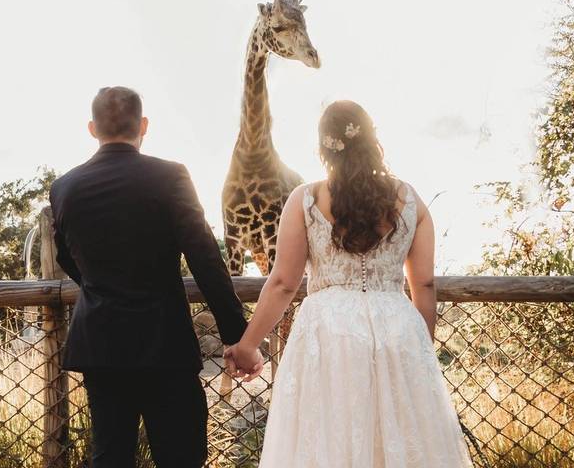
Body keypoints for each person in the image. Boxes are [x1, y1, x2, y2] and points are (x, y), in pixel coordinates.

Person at [224, 100, 472, 467]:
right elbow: (424, 285)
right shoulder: (410, 200)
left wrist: (247, 345)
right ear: (372, 140)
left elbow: (282, 283)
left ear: (323, 147)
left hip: (328, 333)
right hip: (397, 328)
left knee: (328, 439)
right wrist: (420, 347)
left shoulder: (306, 199)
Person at [49, 86, 248, 468]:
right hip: (165, 344)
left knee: (110, 456)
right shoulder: (170, 176)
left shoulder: (64, 187)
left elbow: (67, 259)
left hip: (101, 345)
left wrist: (98, 284)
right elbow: (205, 257)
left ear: (92, 129)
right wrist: (236, 335)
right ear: (143, 125)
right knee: (181, 457)